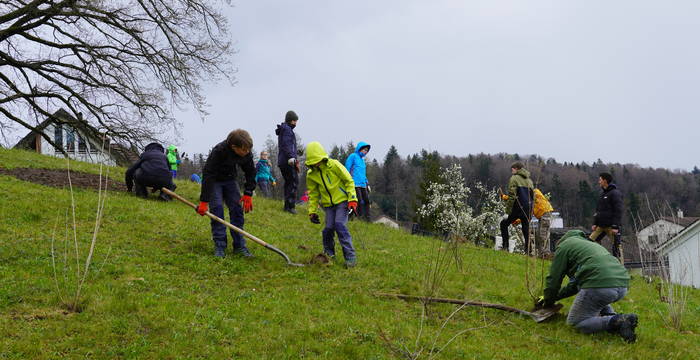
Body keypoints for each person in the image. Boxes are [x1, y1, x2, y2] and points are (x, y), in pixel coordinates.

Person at [537, 230, 638, 343]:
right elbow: (575, 286)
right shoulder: (589, 245)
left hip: (600, 286)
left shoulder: (564, 247)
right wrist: (554, 297)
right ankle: (614, 317)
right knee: (592, 292)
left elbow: (554, 280)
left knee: (575, 323)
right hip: (622, 284)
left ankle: (618, 321)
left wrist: (548, 301)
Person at [195, 129, 256, 258]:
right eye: (244, 150)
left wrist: (248, 192)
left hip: (230, 180)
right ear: (234, 147)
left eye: (248, 150)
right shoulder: (219, 151)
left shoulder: (246, 153)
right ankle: (220, 246)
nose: (247, 152)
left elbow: (251, 172)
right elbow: (208, 174)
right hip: (214, 181)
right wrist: (204, 201)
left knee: (237, 210)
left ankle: (239, 246)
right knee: (217, 210)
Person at [305, 141, 358, 268]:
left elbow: (349, 181)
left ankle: (350, 257)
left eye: (317, 160)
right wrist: (312, 212)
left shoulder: (334, 165)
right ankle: (329, 254)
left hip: (342, 201)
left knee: (339, 225)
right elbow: (313, 194)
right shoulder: (311, 175)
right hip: (328, 205)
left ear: (322, 157)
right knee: (328, 229)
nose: (315, 164)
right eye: (312, 162)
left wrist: (352, 199)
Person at [499, 162, 534, 252]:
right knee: (526, 229)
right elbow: (532, 197)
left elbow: (512, 196)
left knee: (504, 224)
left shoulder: (514, 178)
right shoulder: (529, 181)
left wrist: (507, 212)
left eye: (513, 169)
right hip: (528, 208)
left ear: (517, 169)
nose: (512, 171)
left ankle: (505, 247)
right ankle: (528, 251)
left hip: (517, 207)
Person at [590, 172, 624, 263]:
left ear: (605, 181)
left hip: (611, 227)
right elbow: (598, 211)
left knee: (616, 246)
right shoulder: (602, 194)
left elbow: (618, 210)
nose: (599, 182)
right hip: (600, 226)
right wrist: (595, 223)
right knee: (589, 242)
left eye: (600, 180)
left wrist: (615, 226)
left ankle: (620, 267)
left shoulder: (615, 193)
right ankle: (594, 262)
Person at [276, 110, 300, 214]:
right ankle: (290, 206)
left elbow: (287, 145)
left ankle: (287, 206)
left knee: (289, 182)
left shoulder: (284, 129)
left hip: (283, 160)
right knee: (293, 182)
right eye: (295, 120)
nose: (296, 123)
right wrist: (291, 156)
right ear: (290, 120)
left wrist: (296, 152)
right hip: (287, 161)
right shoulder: (287, 130)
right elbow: (286, 144)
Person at [344, 141, 371, 221]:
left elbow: (363, 173)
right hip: (354, 183)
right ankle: (353, 217)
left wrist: (367, 183)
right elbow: (347, 168)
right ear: (360, 149)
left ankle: (367, 219)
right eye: (364, 150)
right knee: (358, 201)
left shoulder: (362, 161)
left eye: (366, 150)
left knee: (366, 201)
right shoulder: (353, 156)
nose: (365, 152)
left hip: (363, 184)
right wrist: (347, 180)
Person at [533, 188, 554, 255]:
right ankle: (543, 252)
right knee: (540, 234)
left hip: (545, 214)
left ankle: (545, 253)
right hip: (543, 214)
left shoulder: (533, 195)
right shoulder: (534, 196)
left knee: (543, 234)